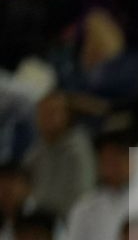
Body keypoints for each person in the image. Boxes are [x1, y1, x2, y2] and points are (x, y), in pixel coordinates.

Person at [23, 90, 93, 218]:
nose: (47, 118)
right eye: (42, 113)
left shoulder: (77, 149)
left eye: (53, 112)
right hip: (37, 221)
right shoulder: (38, 147)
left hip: (65, 223)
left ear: (67, 116)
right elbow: (23, 184)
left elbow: (82, 198)